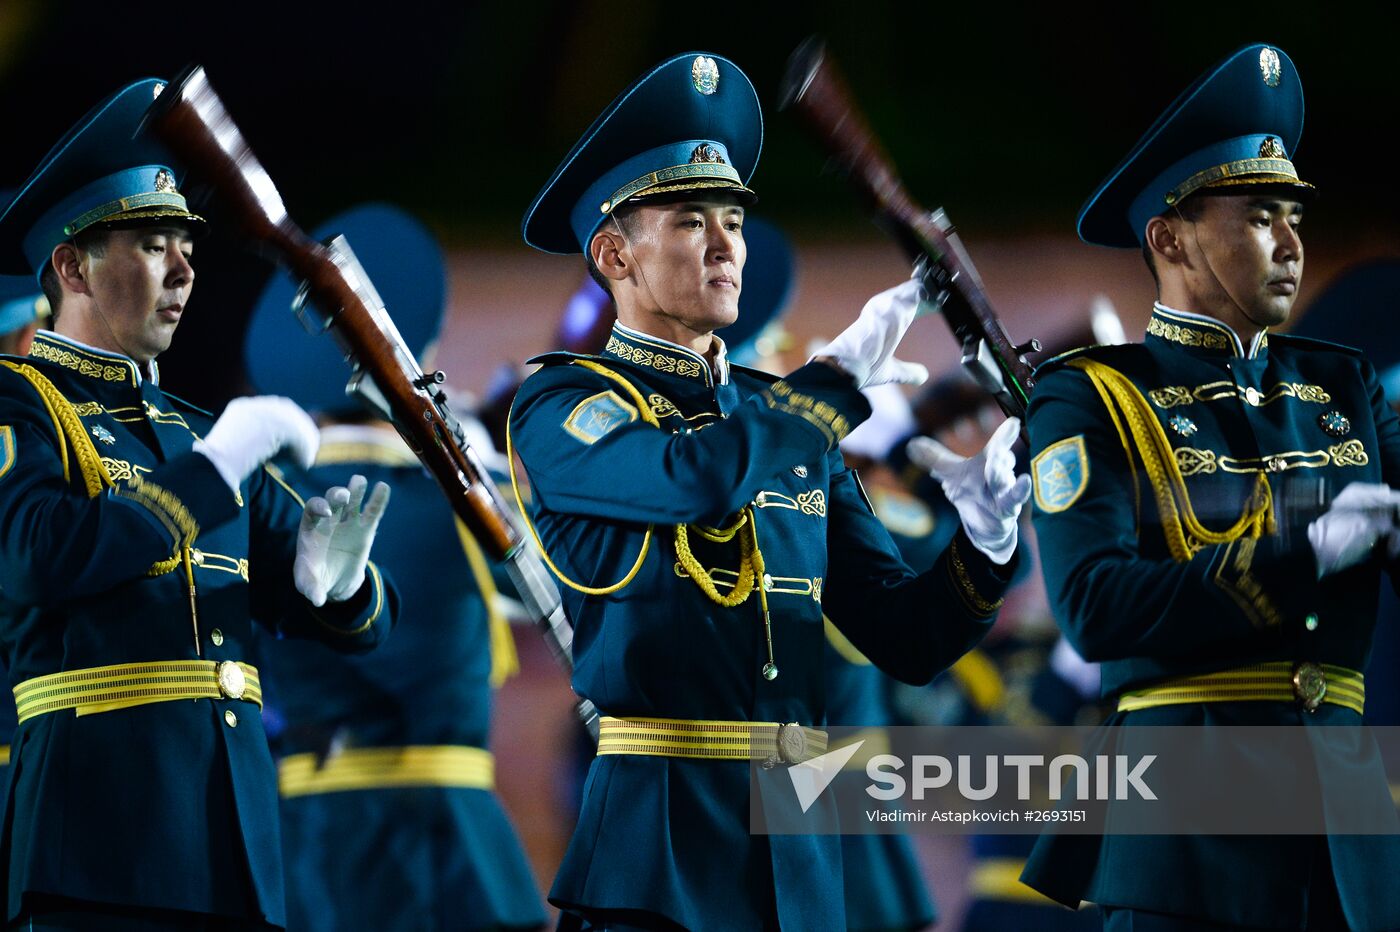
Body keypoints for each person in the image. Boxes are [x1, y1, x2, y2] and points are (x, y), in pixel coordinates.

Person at [510, 52, 1029, 931]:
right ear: (612, 253)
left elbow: (906, 639)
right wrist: (826, 391)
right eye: (688, 220)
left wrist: (982, 547)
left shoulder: (779, 416)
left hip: (800, 852)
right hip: (657, 858)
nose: (725, 243)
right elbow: (694, 480)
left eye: (732, 221)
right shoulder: (563, 402)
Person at [0, 78, 397, 930]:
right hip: (99, 849)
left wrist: (343, 589)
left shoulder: (199, 432)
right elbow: (35, 555)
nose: (185, 270)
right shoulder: (20, 402)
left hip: (234, 846)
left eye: (185, 244)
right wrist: (215, 473)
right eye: (150, 244)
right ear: (71, 265)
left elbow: (366, 626)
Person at [1020, 44, 1400, 930]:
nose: (1293, 242)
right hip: (1184, 845)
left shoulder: (1345, 386)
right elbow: (1093, 603)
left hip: (1349, 851)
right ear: (1170, 236)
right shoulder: (1091, 394)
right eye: (1261, 215)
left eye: (1294, 215)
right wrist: (1298, 554)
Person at [246, 203, 546, 932]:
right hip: (452, 846)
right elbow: (564, 604)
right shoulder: (470, 496)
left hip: (308, 848)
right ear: (424, 348)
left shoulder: (259, 499)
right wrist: (473, 459)